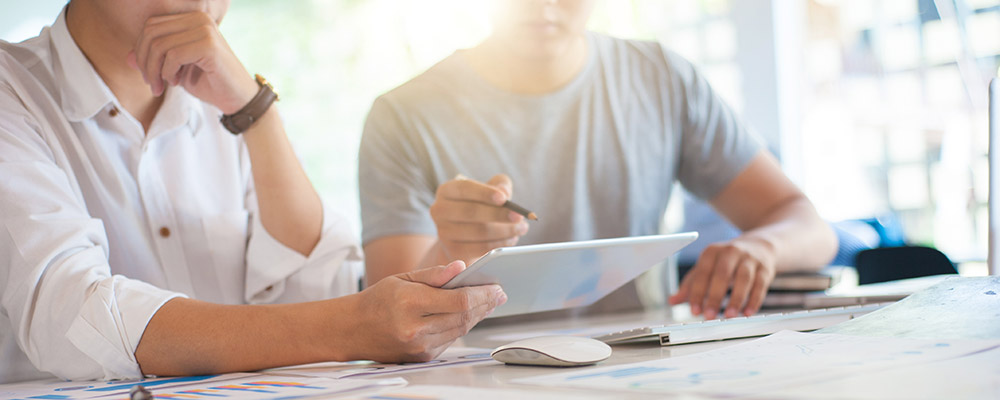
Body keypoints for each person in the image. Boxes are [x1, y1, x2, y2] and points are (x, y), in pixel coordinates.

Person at [0, 0, 505, 384]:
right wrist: (353, 325)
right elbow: (71, 315)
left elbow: (320, 293)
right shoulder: (13, 91)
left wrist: (258, 113)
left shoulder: (226, 95)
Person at [359, 0, 837, 321]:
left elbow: (809, 226)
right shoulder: (402, 116)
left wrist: (764, 250)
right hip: (475, 373)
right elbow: (389, 319)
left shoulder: (663, 80)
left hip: (647, 364)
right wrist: (446, 250)